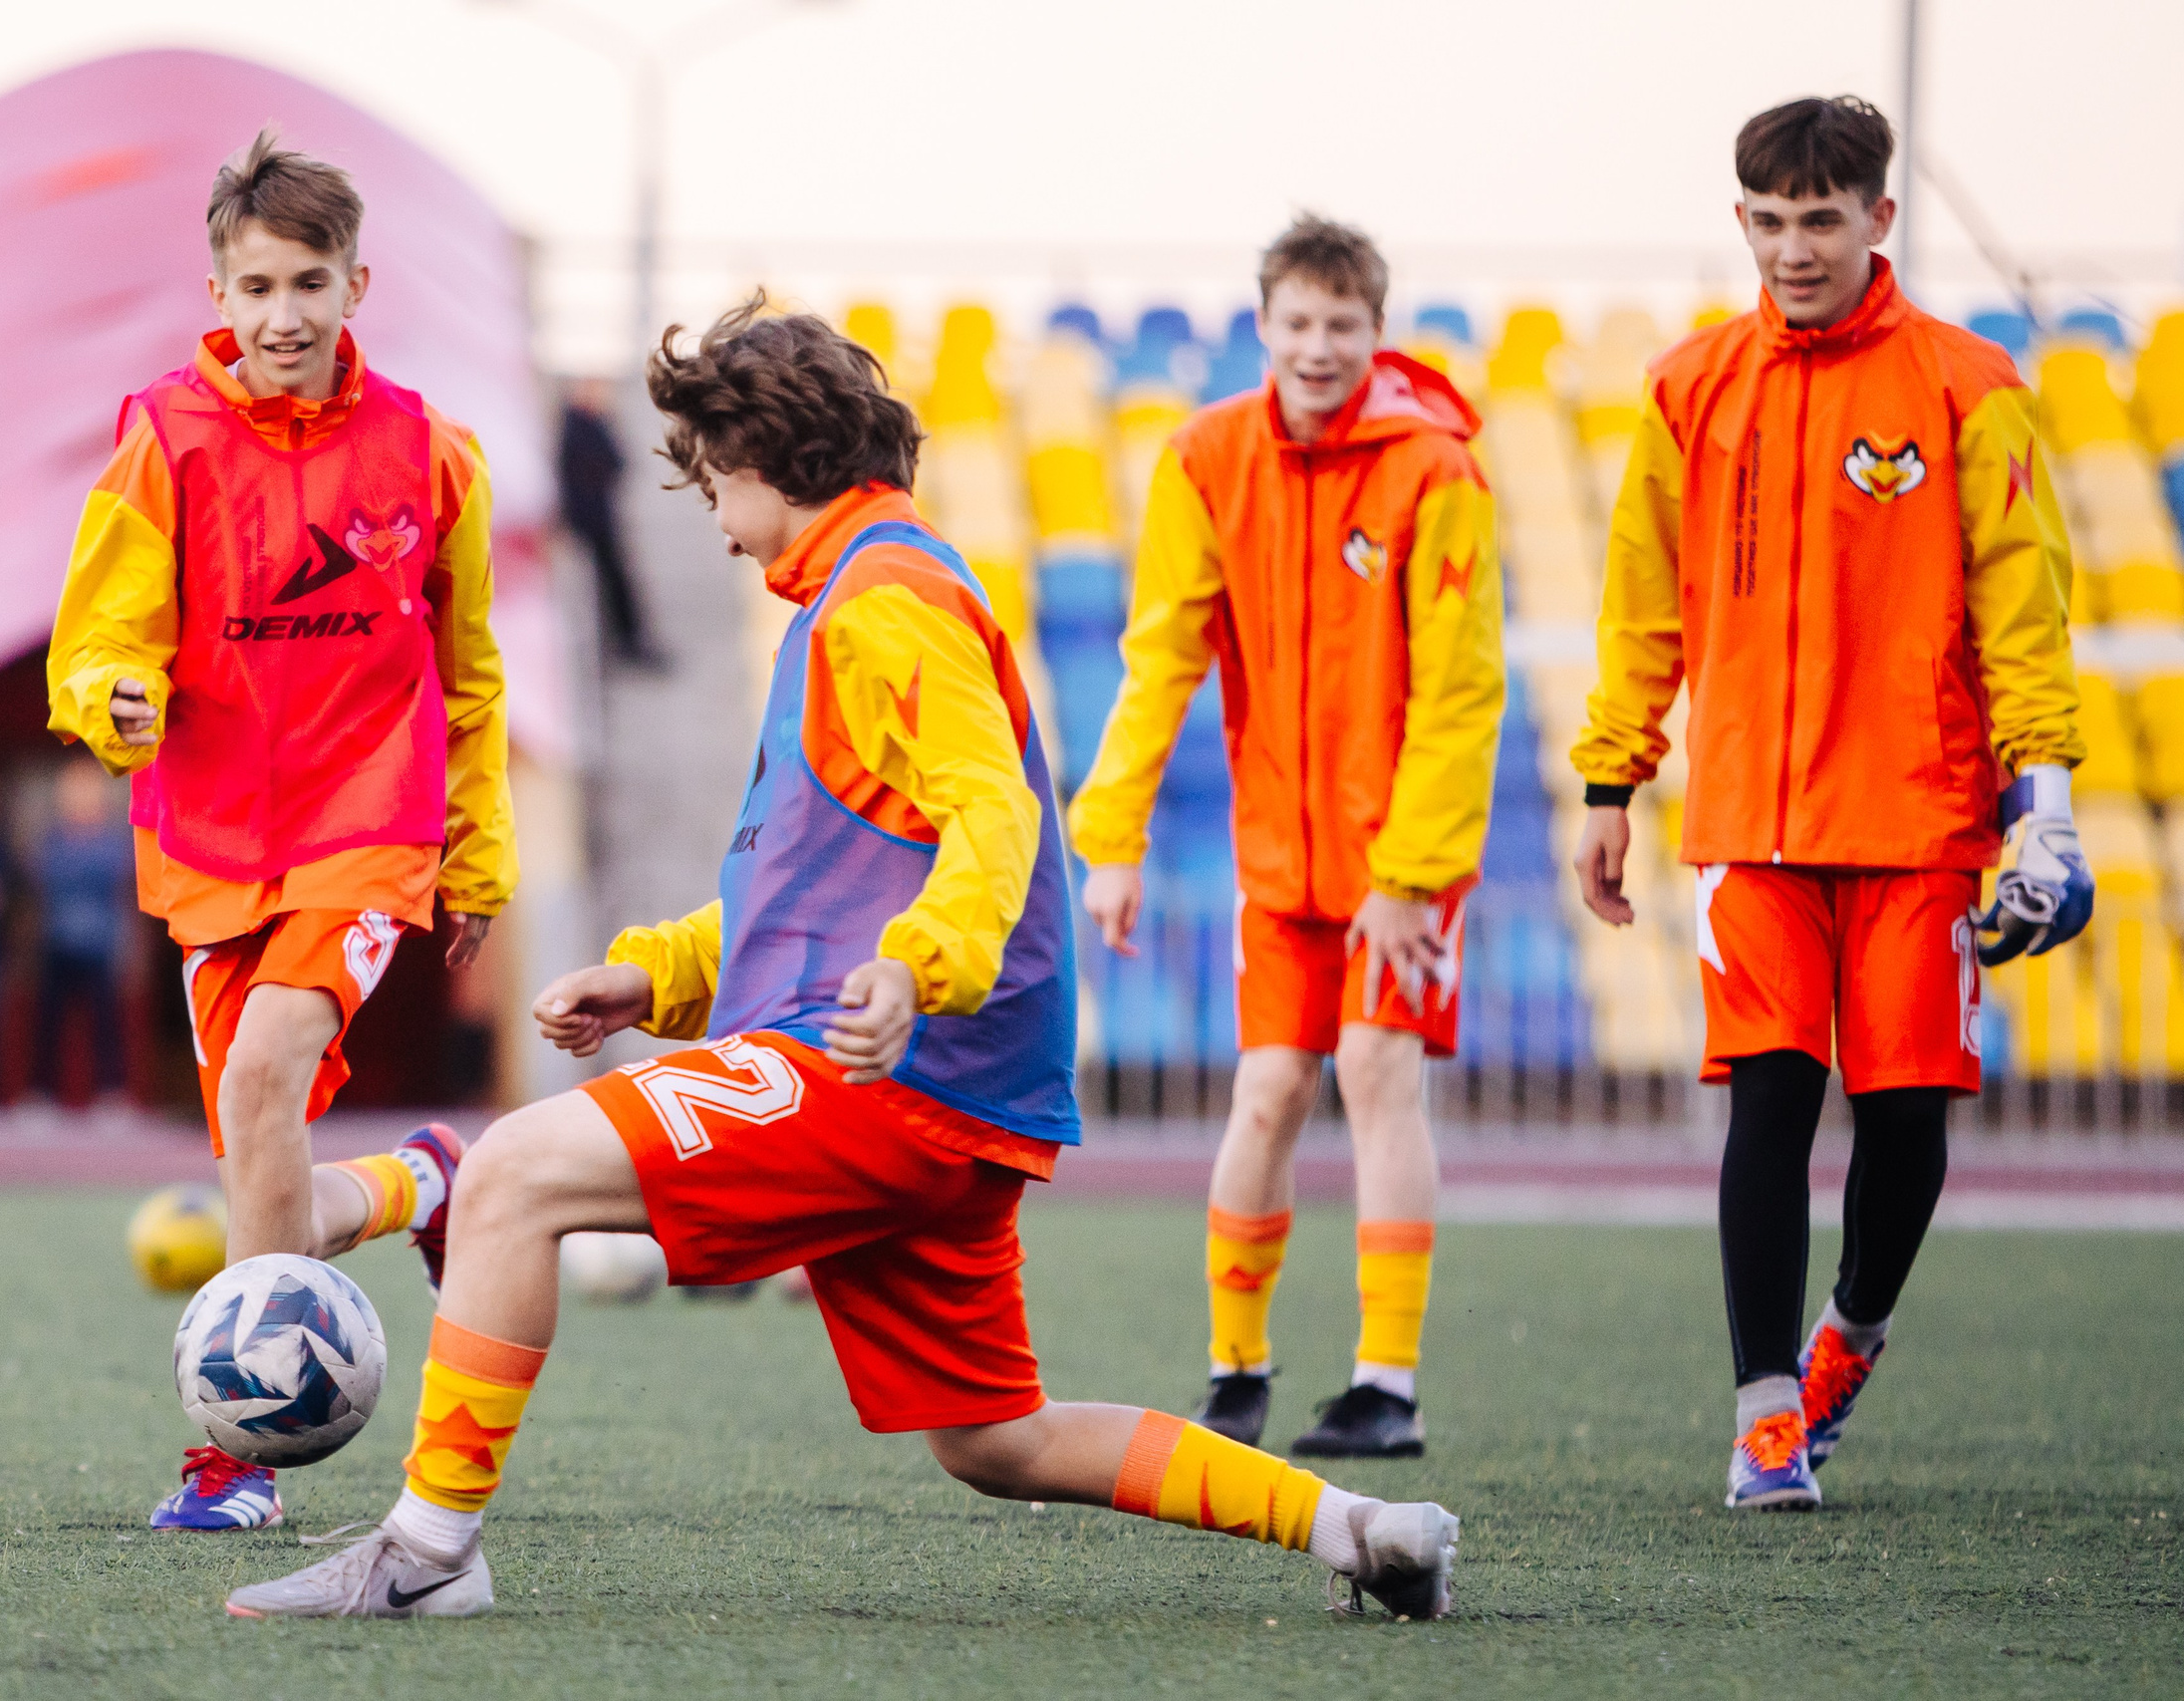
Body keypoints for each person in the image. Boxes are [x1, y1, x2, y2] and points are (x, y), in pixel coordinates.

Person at [223, 295, 1459, 1622]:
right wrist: (660, 975)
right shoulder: (857, 590)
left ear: (771, 455)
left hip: (888, 1066)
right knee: (1001, 1439)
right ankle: (1363, 1524)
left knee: (516, 1171)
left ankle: (423, 1555)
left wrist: (917, 966)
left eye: (709, 465)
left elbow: (992, 811)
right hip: (934, 1083)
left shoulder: (884, 598)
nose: (703, 496)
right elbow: (815, 887)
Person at [1568, 96, 2090, 1512]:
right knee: (1771, 1105)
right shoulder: (1688, 388)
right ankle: (1763, 1418)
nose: (1795, 247)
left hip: (1924, 820)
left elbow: (2022, 612)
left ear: (1879, 218)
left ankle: (1847, 1336)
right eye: (1770, 220)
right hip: (1750, 823)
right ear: (1743, 221)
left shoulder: (1970, 387)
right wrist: (1615, 773)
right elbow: (1642, 604)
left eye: (1821, 218)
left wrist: (2044, 799)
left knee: (1908, 1119)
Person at [46, 130, 519, 1532]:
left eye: (310, 280)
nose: (284, 314)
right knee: (262, 1177)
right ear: (219, 286)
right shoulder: (163, 436)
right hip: (205, 844)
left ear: (358, 280)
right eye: (256, 285)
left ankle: (230, 1457)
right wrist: (107, 701)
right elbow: (99, 635)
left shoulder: (434, 454)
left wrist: (476, 855)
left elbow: (473, 670)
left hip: (367, 824)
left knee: (261, 1085)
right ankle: (422, 1177)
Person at [1068, 216, 1505, 1458]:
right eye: (1297, 324)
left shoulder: (1437, 472)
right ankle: (1236, 1368)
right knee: (1264, 1092)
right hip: (1280, 860)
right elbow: (1160, 657)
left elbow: (1463, 692)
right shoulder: (1206, 457)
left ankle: (1386, 1384)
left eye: (1343, 326)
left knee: (1375, 1074)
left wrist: (1413, 877)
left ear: (1377, 333)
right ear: (1262, 329)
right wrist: (1114, 841)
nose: (1318, 348)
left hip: (1398, 864)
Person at [32, 759, 134, 1106]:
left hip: (99, 944)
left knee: (107, 1025)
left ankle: (111, 1093)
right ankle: (42, 1094)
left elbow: (113, 875)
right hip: (58, 942)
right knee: (49, 1023)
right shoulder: (54, 838)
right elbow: (46, 875)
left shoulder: (111, 838)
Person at [559, 378, 668, 670]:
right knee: (610, 581)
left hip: (595, 516)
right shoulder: (579, 424)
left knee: (613, 580)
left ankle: (624, 640)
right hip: (591, 518)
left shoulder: (582, 422)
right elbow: (609, 462)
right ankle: (623, 642)